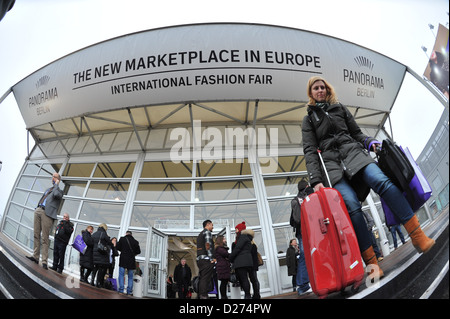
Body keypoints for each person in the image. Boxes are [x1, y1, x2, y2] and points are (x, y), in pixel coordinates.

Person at [301, 76, 436, 278]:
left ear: (327, 90)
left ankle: (417, 236)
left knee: (383, 182)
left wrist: (371, 142)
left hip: (355, 155)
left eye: (322, 87)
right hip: (332, 167)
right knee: (352, 208)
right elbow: (310, 150)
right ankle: (372, 265)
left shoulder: (339, 108)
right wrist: (316, 180)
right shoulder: (309, 119)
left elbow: (356, 133)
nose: (319, 90)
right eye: (315, 88)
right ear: (311, 93)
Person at [27, 172, 63, 270]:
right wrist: (37, 208)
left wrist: (57, 184)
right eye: (52, 176)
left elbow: (56, 195)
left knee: (45, 238)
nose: (53, 178)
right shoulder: (48, 189)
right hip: (39, 210)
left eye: (55, 177)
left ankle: (44, 261)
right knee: (36, 234)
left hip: (47, 214)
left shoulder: (59, 191)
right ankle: (35, 257)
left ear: (58, 179)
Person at [289, 180, 312, 295]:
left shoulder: (298, 199)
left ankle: (303, 286)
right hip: (306, 231)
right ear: (306, 186)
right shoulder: (301, 199)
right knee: (306, 255)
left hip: (305, 231)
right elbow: (298, 218)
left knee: (306, 256)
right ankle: (303, 285)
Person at [229, 228, 254, 299]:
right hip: (248, 262)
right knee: (246, 279)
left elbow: (238, 248)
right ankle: (248, 295)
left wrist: (231, 257)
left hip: (241, 262)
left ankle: (247, 296)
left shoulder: (243, 237)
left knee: (244, 279)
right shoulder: (249, 239)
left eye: (237, 230)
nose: (236, 232)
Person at [116, 230, 141, 295]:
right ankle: (129, 291)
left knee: (121, 274)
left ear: (126, 234)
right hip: (131, 260)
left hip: (123, 259)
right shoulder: (135, 242)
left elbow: (117, 247)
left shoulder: (122, 239)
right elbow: (138, 251)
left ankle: (121, 290)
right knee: (130, 276)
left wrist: (123, 250)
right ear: (131, 235)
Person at [196, 219, 215, 299]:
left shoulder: (200, 234)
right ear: (208, 224)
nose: (213, 227)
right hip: (206, 259)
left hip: (200, 259)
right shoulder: (207, 232)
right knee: (205, 278)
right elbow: (208, 246)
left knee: (203, 277)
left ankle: (200, 295)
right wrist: (211, 258)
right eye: (212, 225)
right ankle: (203, 295)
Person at [91, 223, 112, 288]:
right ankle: (98, 283)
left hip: (94, 253)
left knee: (95, 268)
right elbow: (109, 242)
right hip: (101, 254)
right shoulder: (104, 234)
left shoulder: (94, 234)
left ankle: (92, 281)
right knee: (100, 269)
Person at [214, 235, 231, 299]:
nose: (225, 240)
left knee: (224, 282)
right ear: (221, 240)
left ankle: (224, 296)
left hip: (223, 267)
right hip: (223, 267)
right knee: (224, 282)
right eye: (224, 239)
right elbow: (226, 254)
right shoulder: (219, 248)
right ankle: (223, 297)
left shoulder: (219, 248)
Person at [248, 229, 261, 299]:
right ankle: (257, 293)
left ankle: (257, 294)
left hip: (252, 266)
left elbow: (254, 257)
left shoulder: (252, 246)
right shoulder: (253, 245)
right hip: (253, 266)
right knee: (254, 280)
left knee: (254, 280)